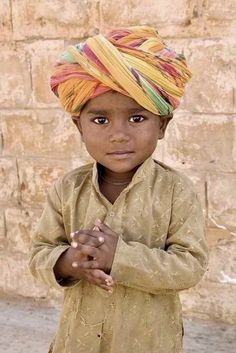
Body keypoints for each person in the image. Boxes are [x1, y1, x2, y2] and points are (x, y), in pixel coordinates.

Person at [29, 26, 208, 353]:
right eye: (100, 121)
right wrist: (70, 261)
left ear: (163, 125)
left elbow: (191, 266)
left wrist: (120, 257)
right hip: (78, 341)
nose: (119, 135)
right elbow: (39, 253)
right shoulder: (67, 189)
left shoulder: (176, 192)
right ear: (78, 126)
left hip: (150, 341)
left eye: (137, 118)